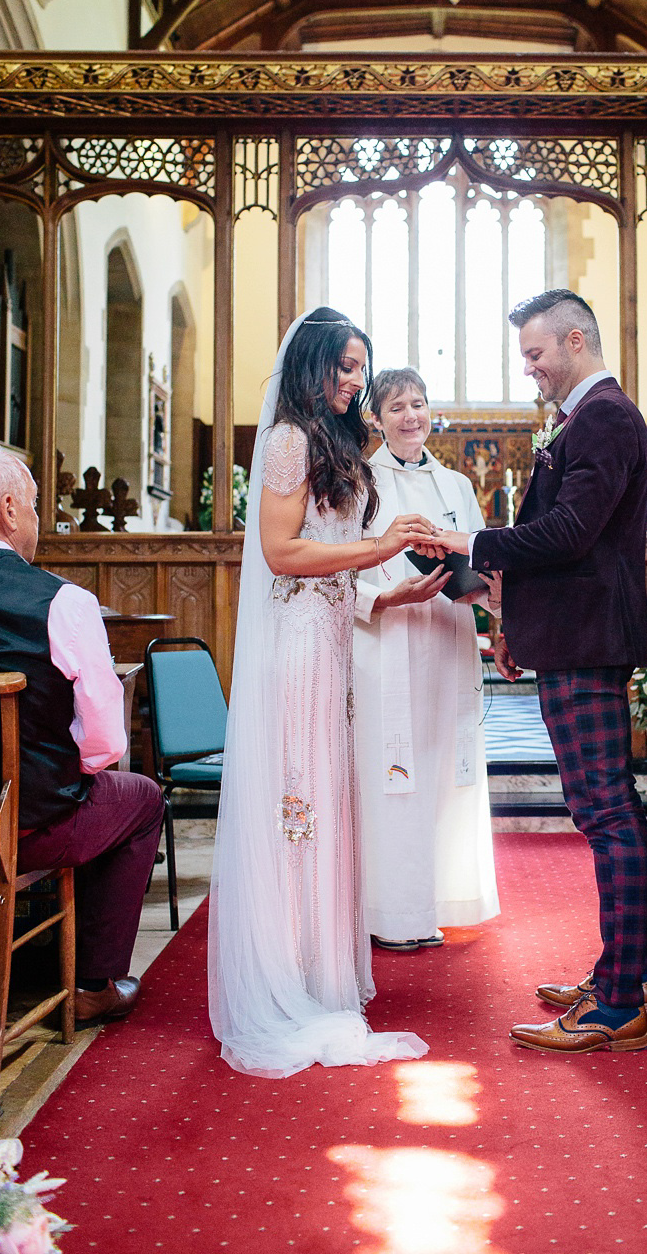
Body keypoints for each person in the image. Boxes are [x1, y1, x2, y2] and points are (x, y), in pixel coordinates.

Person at [415, 288, 647, 1054]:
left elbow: (572, 531)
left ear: (576, 339)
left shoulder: (607, 416)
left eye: (536, 354)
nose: (530, 371)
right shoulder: (586, 418)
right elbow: (557, 536)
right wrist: (512, 618)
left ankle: (619, 1006)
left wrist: (471, 544)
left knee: (606, 812)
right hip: (570, 633)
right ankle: (629, 972)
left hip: (588, 639)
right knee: (603, 810)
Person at [207, 308, 436, 1078]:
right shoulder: (285, 441)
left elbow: (336, 549)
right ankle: (291, 974)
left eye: (359, 368)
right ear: (310, 364)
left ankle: (322, 971)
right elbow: (279, 550)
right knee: (299, 806)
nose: (353, 381)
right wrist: (380, 545)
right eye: (342, 365)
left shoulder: (335, 442)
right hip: (298, 646)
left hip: (332, 637)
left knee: (330, 800)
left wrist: (389, 557)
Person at [0, 448, 164, 1024]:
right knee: (139, 799)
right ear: (9, 510)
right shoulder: (62, 603)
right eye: (37, 508)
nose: (38, 521)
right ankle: (93, 981)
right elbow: (105, 746)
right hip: (24, 825)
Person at [353, 367, 499, 951]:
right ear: (376, 418)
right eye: (396, 407)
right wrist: (382, 596)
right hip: (387, 639)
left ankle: (434, 901)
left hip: (447, 638)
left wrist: (492, 611)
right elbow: (343, 562)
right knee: (392, 774)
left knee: (443, 767)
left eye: (419, 404)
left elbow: (485, 561)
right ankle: (390, 911)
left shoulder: (457, 485)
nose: (411, 416)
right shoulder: (359, 482)